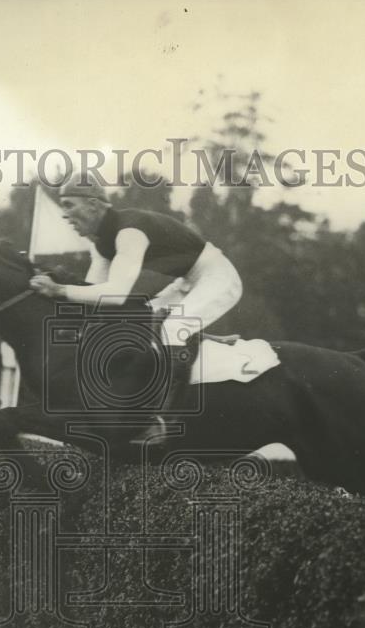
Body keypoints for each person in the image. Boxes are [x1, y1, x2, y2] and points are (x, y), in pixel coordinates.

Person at [28, 177, 243, 442]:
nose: (65, 214)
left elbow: (116, 295)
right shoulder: (102, 244)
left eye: (70, 205)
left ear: (94, 205)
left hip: (218, 276)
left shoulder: (129, 233)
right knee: (145, 322)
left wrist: (59, 290)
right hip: (188, 279)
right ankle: (204, 341)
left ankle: (164, 421)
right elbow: (94, 297)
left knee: (171, 328)